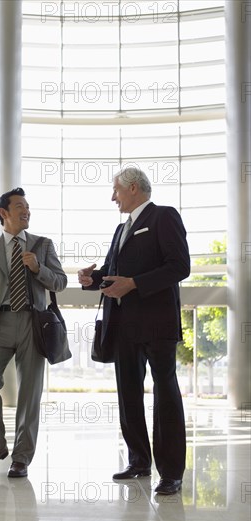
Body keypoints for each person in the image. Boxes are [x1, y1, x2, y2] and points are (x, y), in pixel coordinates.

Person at [78, 167, 190, 495]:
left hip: (157, 324)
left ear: (133, 188)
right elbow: (115, 274)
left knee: (165, 394)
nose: (113, 197)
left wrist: (135, 284)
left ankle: (171, 472)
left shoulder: (164, 217)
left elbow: (179, 266)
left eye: (116, 191)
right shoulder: (120, 229)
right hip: (123, 326)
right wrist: (93, 280)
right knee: (128, 395)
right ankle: (139, 461)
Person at [0, 187, 67, 478]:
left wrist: (38, 268)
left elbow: (59, 283)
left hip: (32, 322)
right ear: (4, 213)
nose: (27, 211)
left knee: (30, 392)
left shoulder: (43, 245)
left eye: (28, 206)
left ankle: (21, 458)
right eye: (20, 206)